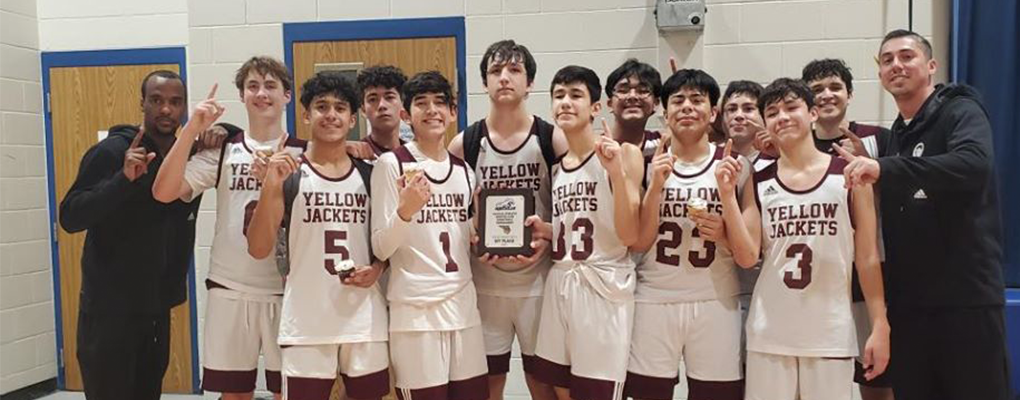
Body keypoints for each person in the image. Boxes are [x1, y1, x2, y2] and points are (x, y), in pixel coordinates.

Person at [838, 29, 1010, 400]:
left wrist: (886, 169)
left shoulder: (959, 109)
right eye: (887, 60)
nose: (896, 65)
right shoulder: (899, 133)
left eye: (906, 56)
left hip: (965, 301)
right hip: (912, 306)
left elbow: (973, 165)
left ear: (931, 65)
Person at [718, 78, 889, 400]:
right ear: (765, 124)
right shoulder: (758, 180)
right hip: (769, 332)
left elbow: (867, 257)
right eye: (772, 112)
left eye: (791, 107)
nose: (782, 116)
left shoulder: (849, 175)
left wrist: (880, 324)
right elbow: (745, 256)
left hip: (830, 332)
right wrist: (728, 197)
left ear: (812, 113)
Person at [153, 56, 306, 400]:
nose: (261, 93)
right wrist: (192, 127)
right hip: (230, 287)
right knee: (234, 394)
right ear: (242, 95)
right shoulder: (223, 151)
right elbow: (163, 192)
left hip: (289, 291)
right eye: (253, 86)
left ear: (286, 95)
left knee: (289, 392)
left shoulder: (305, 153)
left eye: (270, 85)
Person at [245, 71, 390, 400]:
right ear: (307, 115)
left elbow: (388, 243)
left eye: (340, 108)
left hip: (364, 320)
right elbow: (258, 248)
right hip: (307, 321)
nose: (331, 114)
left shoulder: (372, 174)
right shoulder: (289, 174)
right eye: (321, 106)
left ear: (353, 118)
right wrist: (270, 184)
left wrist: (379, 268)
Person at [59, 70, 199, 400]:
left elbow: (234, 136)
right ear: (143, 104)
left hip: (154, 310)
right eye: (157, 100)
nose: (166, 109)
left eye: (175, 102)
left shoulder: (181, 157)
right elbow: (70, 216)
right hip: (108, 312)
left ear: (184, 108)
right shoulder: (112, 152)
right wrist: (122, 180)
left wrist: (216, 131)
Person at [446, 39, 560, 400]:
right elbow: (450, 215)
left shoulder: (549, 137)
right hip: (484, 284)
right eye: (495, 71)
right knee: (486, 385)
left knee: (542, 383)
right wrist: (471, 234)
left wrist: (549, 237)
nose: (504, 78)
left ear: (530, 83)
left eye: (514, 70)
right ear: (484, 83)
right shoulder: (465, 143)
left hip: (538, 284)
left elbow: (572, 207)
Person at [625, 69, 746, 400]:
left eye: (697, 100)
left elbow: (748, 254)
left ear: (713, 112)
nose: (687, 107)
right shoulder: (647, 162)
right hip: (653, 298)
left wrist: (723, 233)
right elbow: (637, 242)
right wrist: (655, 187)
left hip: (715, 300)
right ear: (664, 111)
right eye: (677, 100)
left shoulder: (734, 164)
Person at [371, 71, 489, 400]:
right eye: (422, 103)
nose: (432, 110)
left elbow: (464, 236)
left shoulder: (464, 171)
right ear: (407, 115)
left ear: (453, 113)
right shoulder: (391, 165)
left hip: (463, 308)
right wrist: (405, 211)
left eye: (441, 102)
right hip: (415, 314)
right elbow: (381, 248)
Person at [531, 66, 644, 400]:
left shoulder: (624, 154)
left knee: (597, 392)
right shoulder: (558, 167)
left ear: (596, 108)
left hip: (603, 285)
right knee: (561, 388)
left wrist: (617, 175)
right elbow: (586, 222)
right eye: (558, 96)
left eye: (575, 95)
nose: (565, 102)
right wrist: (549, 231)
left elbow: (628, 234)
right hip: (562, 282)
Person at [801, 57, 895, 400]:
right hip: (817, 276)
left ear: (850, 94)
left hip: (868, 272)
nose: (826, 95)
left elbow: (902, 195)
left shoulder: (877, 139)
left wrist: (874, 170)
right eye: (817, 90)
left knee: (875, 378)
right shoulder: (795, 144)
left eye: (835, 87)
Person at [604, 59, 663, 156]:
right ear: (610, 103)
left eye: (643, 90)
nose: (632, 96)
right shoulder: (596, 148)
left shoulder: (663, 145)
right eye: (623, 90)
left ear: (656, 103)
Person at [356, 65, 409, 159]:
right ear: (363, 110)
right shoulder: (355, 156)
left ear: (403, 104)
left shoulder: (414, 157)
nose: (382, 105)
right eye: (372, 99)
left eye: (389, 97)